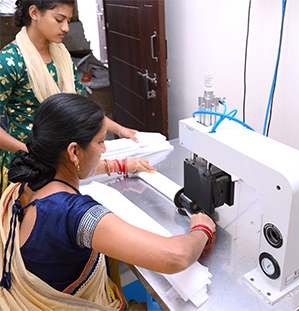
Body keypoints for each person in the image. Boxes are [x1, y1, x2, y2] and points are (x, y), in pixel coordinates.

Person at [0, 93, 216, 310]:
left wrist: (121, 165)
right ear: (74, 151)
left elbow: (73, 168)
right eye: (100, 141)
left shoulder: (26, 180)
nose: (104, 149)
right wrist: (201, 229)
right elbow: (175, 257)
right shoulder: (75, 214)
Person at [0, 0, 138, 194]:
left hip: (63, 161)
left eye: (68, 20)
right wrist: (29, 152)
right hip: (27, 166)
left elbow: (80, 109)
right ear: (34, 13)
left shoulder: (62, 56)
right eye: (59, 20)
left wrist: (121, 130)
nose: (65, 28)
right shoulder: (10, 61)